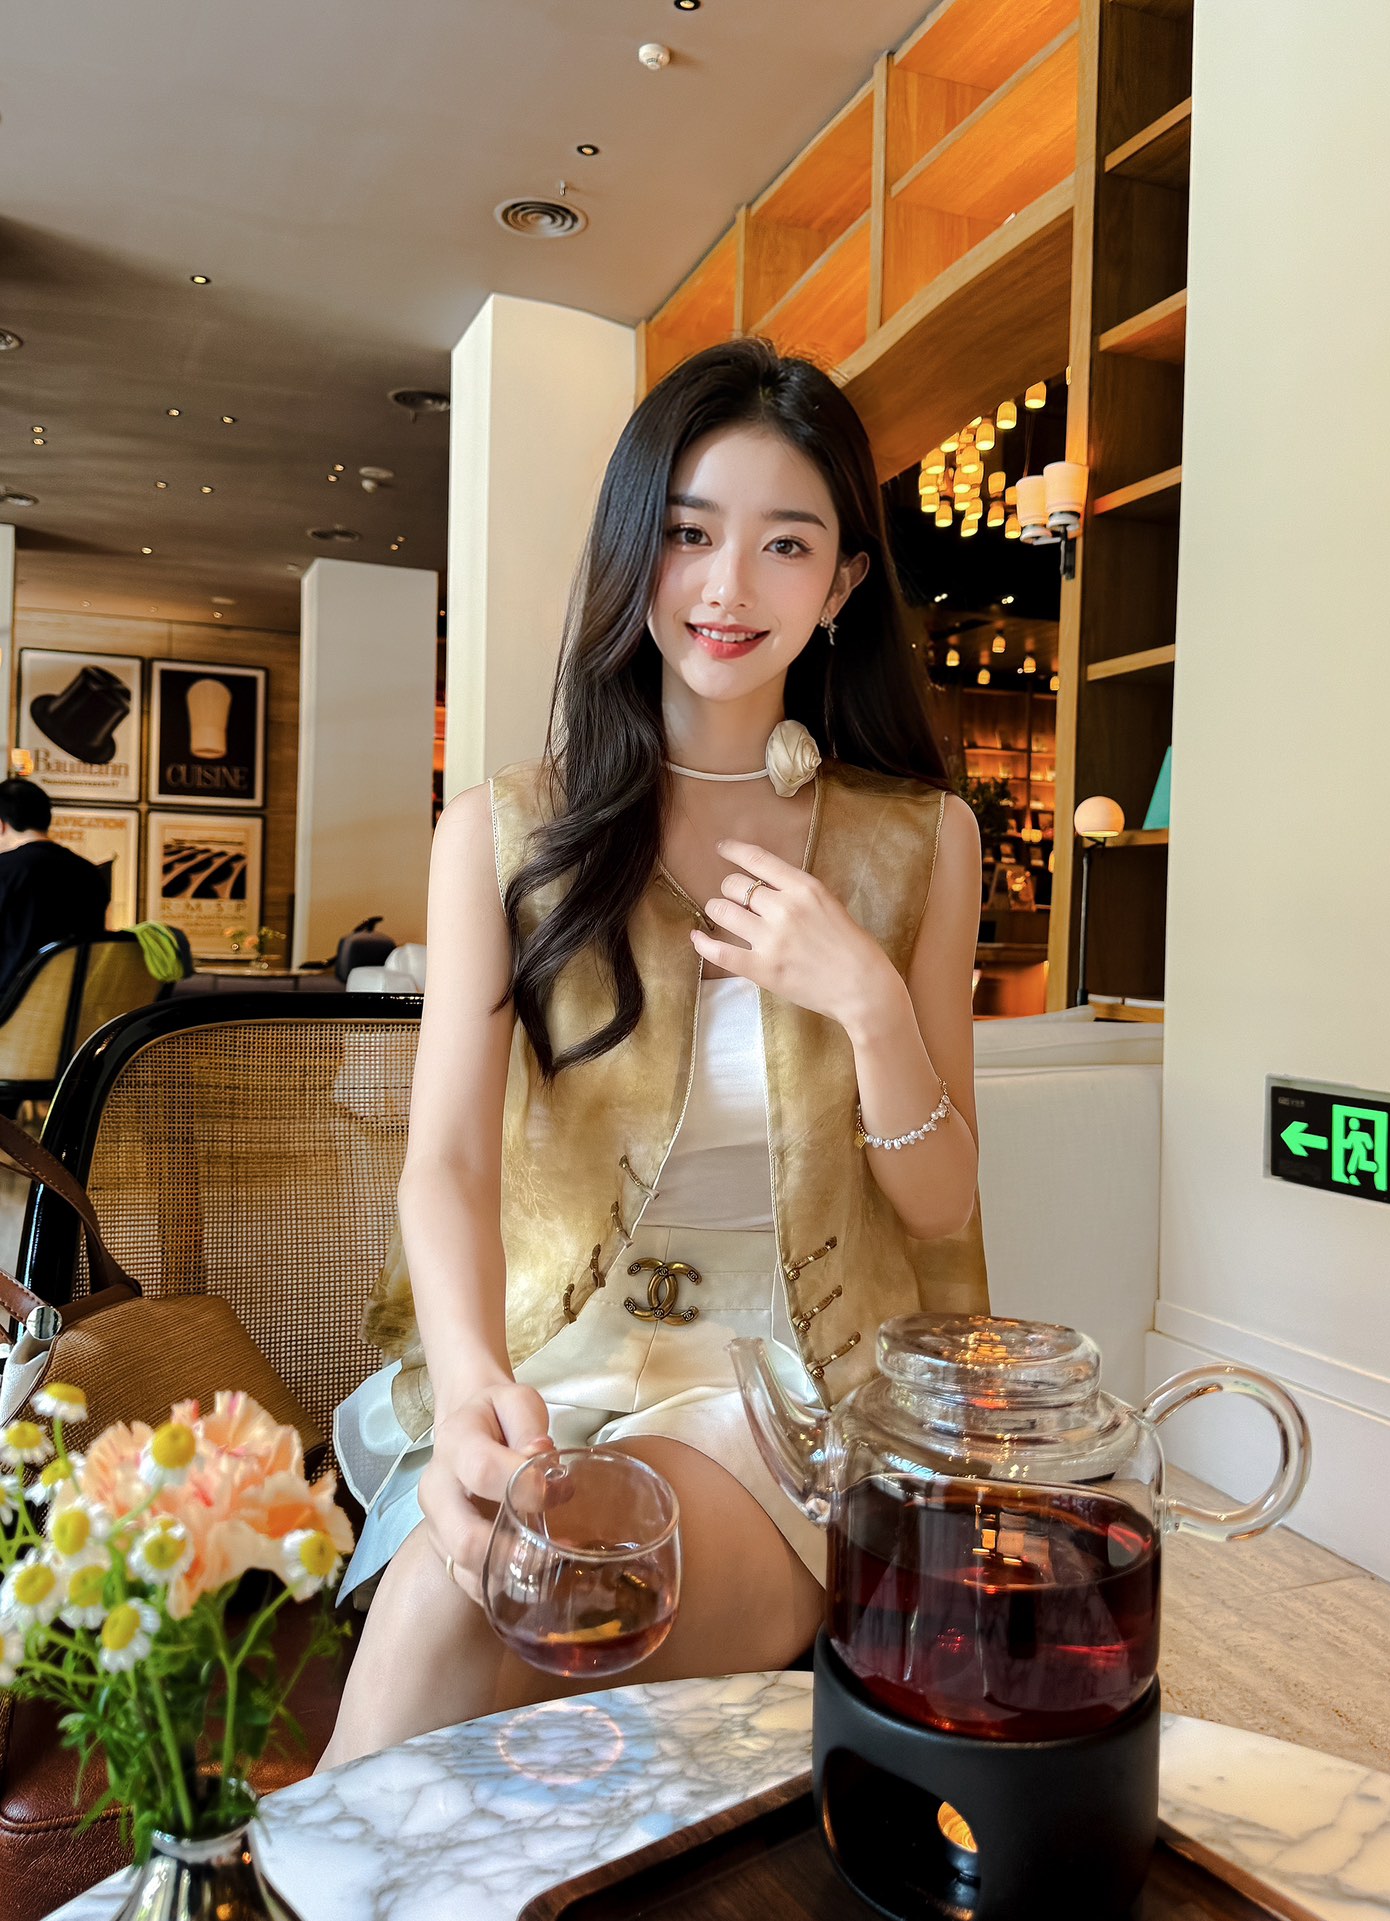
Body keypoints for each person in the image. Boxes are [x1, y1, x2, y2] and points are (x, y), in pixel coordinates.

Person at [322, 338, 987, 1766]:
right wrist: (470, 1384)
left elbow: (941, 1206)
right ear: (636, 550)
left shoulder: (919, 842)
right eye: (689, 532)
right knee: (467, 1592)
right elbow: (446, 1163)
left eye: (784, 543)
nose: (728, 585)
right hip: (551, 1368)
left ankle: (282, 1861)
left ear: (842, 584)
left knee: (529, 1594)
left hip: (791, 1397)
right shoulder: (503, 832)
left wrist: (868, 1000)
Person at [0, 778, 110, 997]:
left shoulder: (4, 870)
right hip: (73, 1006)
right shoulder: (91, 873)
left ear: (1, 825)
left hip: (10, 1008)